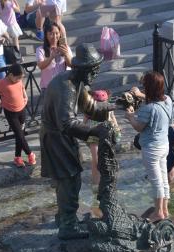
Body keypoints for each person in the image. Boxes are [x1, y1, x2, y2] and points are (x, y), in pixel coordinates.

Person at [40, 43, 114, 240]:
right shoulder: (66, 86)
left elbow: (91, 109)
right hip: (57, 138)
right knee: (69, 180)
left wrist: (116, 104)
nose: (96, 73)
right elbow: (67, 123)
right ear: (83, 69)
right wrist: (96, 131)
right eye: (94, 69)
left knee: (70, 178)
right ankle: (67, 225)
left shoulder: (77, 81)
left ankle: (65, 216)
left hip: (63, 137)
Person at [125, 71, 174, 223]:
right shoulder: (168, 101)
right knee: (164, 179)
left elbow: (139, 127)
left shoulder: (148, 109)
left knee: (156, 181)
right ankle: (165, 209)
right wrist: (139, 94)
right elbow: (154, 101)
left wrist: (131, 116)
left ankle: (158, 212)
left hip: (151, 149)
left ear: (149, 88)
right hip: (164, 146)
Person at [0, 64, 36, 167]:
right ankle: (30, 153)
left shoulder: (19, 80)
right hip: (10, 112)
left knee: (20, 135)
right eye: (17, 78)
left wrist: (25, 97)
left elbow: (22, 88)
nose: (18, 80)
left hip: (22, 110)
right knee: (20, 134)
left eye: (20, 78)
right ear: (11, 75)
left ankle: (17, 157)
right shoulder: (2, 83)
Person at [83, 89, 120, 218]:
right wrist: (82, 132)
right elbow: (84, 122)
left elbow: (113, 118)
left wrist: (117, 130)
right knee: (96, 160)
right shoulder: (90, 109)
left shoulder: (109, 108)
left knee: (103, 160)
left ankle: (102, 186)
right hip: (94, 135)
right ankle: (95, 190)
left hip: (106, 134)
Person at [36, 22, 72, 91]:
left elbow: (71, 64)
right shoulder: (40, 50)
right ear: (46, 35)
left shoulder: (65, 48)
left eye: (57, 33)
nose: (55, 36)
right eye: (51, 34)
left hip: (63, 85)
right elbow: (41, 66)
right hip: (48, 88)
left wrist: (66, 54)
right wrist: (51, 57)